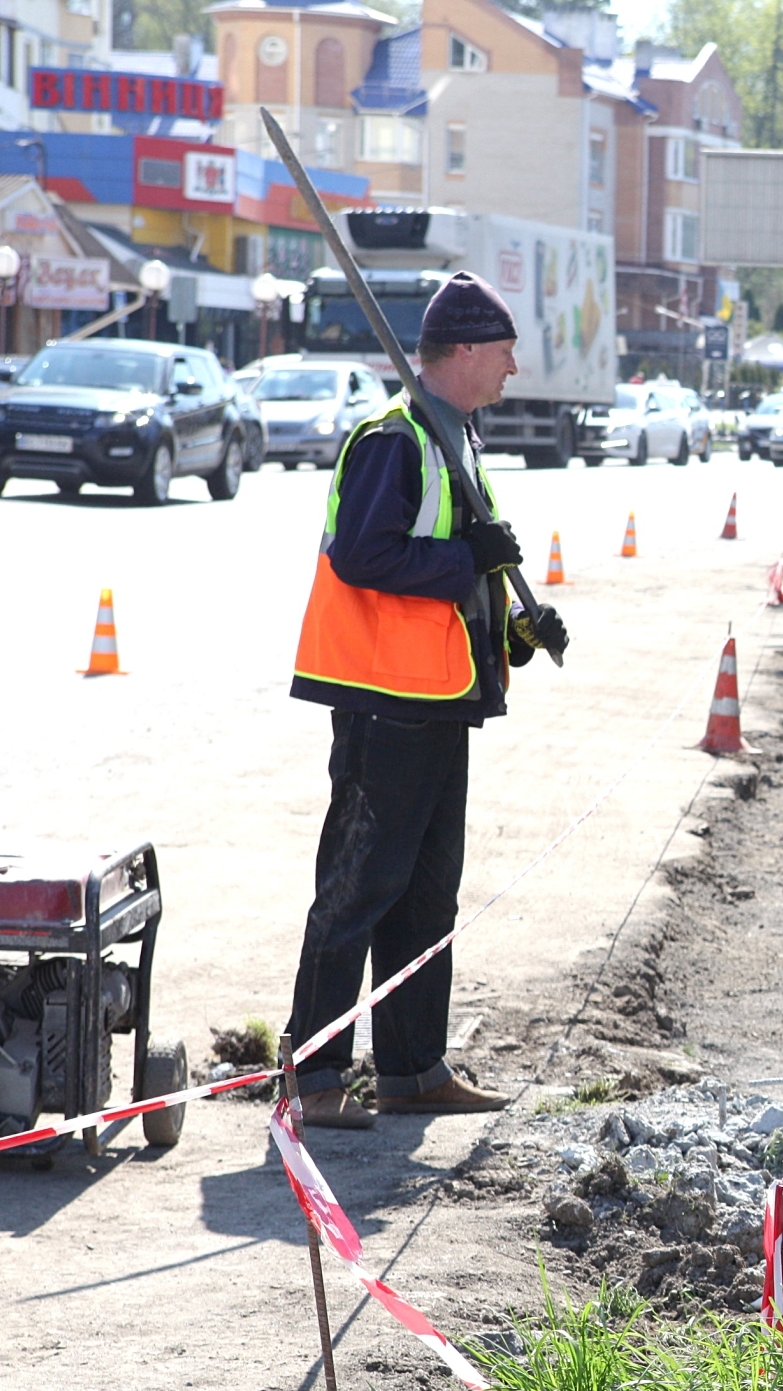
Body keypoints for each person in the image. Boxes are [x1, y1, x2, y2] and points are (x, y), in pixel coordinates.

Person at [283, 271, 569, 1130]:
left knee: (426, 895)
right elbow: (362, 556)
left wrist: (515, 630)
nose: (514, 368)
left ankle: (412, 1067)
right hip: (384, 703)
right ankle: (317, 1070)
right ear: (471, 350)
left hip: (440, 699)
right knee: (358, 884)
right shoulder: (394, 439)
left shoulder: (460, 436)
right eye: (508, 352)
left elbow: (456, 585)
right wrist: (465, 559)